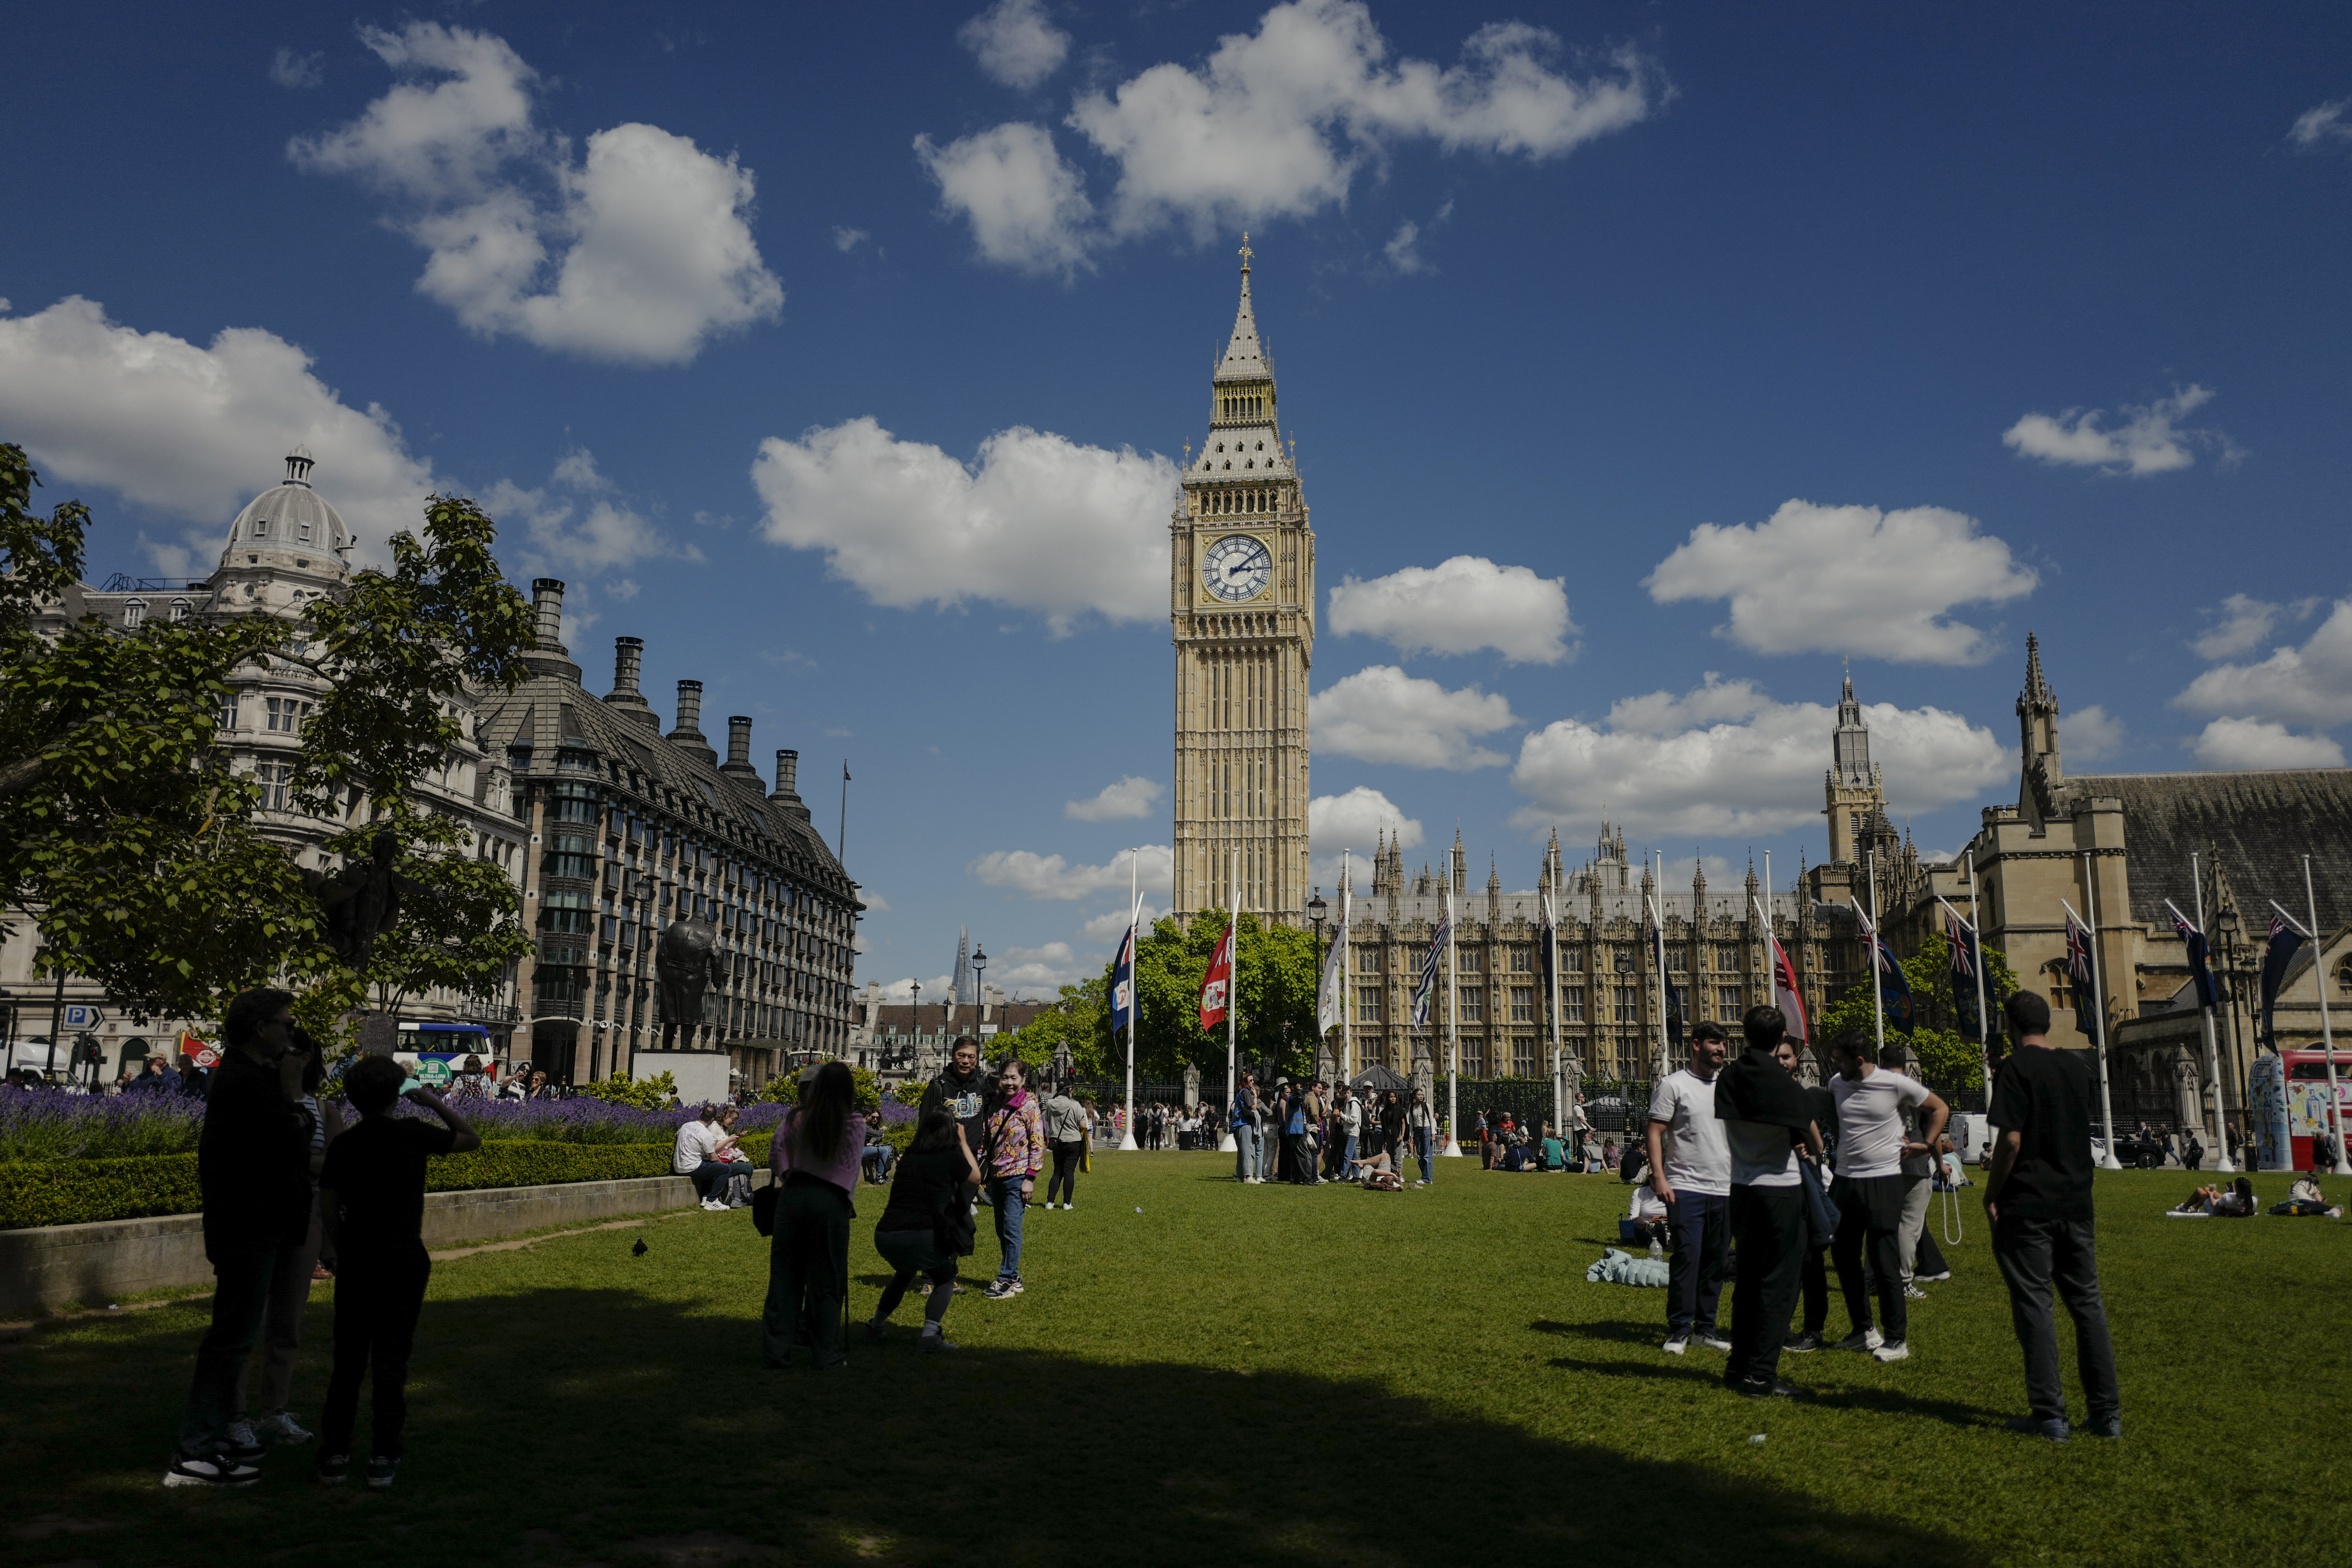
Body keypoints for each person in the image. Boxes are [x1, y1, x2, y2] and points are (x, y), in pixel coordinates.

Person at [164, 989, 314, 1489]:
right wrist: (294, 1094)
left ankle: (212, 1440)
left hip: (252, 1224)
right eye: (285, 1025)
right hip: (247, 1226)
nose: (290, 1034)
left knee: (234, 1338)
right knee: (229, 1340)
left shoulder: (245, 1075)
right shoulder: (246, 1081)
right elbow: (290, 1137)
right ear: (259, 1028)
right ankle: (195, 1451)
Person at [313, 1053, 481, 1489]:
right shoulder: (411, 1134)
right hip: (403, 1257)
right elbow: (469, 1137)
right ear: (396, 1094)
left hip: (358, 1258)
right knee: (392, 1360)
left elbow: (328, 1206)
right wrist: (431, 1101)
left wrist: (339, 1247)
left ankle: (334, 1453)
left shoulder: (345, 1145)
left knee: (348, 1360)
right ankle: (384, 1454)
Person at [1984, 991, 2120, 1442]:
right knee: (2088, 1306)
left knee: (2036, 1305)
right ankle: (2106, 1415)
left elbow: (2011, 1141)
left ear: (2011, 1025)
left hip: (2030, 1205)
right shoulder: (2076, 1068)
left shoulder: (2016, 1069)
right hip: (2077, 1203)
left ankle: (2049, 1415)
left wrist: (1992, 1193)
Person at [231, 1028, 343, 1450]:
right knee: (245, 1322)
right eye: (287, 1052)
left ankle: (274, 1412)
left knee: (287, 1324)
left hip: (305, 1222)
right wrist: (306, 1162)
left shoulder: (324, 1110)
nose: (292, 1059)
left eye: (301, 1053)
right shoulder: (257, 1103)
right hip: (258, 1220)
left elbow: (335, 1168)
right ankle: (235, 1415)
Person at [1714, 1005, 1824, 1401]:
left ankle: (1737, 1364)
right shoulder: (1782, 1083)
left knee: (1746, 1280)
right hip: (1780, 1189)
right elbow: (1813, 1142)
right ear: (1781, 1037)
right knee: (1779, 1284)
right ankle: (1762, 1375)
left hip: (1741, 1188)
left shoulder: (1729, 1076)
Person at [1826, 1029, 1948, 1365]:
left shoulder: (1894, 1084)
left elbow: (1940, 1108)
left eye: (1841, 1060)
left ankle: (1897, 1339)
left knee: (1883, 1259)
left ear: (1860, 1060)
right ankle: (1864, 1331)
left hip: (1883, 1180)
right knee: (1844, 1256)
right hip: (1845, 1180)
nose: (1837, 1066)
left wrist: (1926, 1145)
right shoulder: (1837, 1084)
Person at [762, 1062, 865, 1370]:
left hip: (794, 1196)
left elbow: (776, 1154)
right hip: (830, 1201)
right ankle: (827, 1353)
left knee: (785, 1277)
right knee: (828, 1280)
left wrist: (788, 1178)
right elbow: (851, 1167)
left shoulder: (796, 1118)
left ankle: (777, 1351)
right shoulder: (854, 1122)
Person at [1648, 1020, 1734, 1357]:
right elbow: (1655, 1131)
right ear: (1696, 1045)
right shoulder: (1674, 1085)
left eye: (1724, 1044)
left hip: (1725, 1187)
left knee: (1717, 1262)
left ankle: (1706, 1329)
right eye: (1715, 1043)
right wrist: (1660, 1177)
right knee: (1688, 1256)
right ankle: (1680, 1330)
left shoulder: (1728, 1087)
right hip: (1685, 1186)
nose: (1722, 1050)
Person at [865, 1109, 983, 1352]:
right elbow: (976, 1177)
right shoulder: (950, 1154)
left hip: (886, 1234)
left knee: (904, 1273)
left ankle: (876, 1326)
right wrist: (963, 1141)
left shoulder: (911, 1155)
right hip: (922, 1234)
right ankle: (930, 1335)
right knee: (946, 1278)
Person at [1776, 1036, 1838, 1356]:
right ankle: (1781, 1326)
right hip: (1775, 1190)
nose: (1783, 1062)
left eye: (1787, 1056)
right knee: (1782, 1266)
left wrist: (1808, 1146)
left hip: (1804, 1188)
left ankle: (1813, 1330)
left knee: (1812, 1264)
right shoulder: (1768, 1095)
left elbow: (1821, 1144)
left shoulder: (1806, 1096)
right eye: (1778, 1057)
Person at [978, 1059, 1045, 1299]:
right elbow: (986, 1137)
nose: (1008, 1082)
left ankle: (1005, 1280)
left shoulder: (1029, 1106)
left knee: (1011, 1228)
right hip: (996, 1175)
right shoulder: (995, 1104)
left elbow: (1038, 1142)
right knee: (1001, 1228)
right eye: (1005, 1077)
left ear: (1024, 1080)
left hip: (1018, 1177)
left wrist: (1031, 1178)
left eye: (1014, 1078)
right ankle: (1014, 1277)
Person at [919, 1036, 989, 1155]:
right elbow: (923, 1130)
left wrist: (1028, 1096)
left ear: (977, 1060)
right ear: (953, 1056)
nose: (966, 1061)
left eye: (971, 1057)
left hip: (973, 1158)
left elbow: (1004, 1105)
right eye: (961, 1055)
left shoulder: (982, 1086)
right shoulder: (937, 1088)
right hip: (943, 1159)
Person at [673, 1103, 742, 1212]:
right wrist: (722, 1164)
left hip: (678, 1166)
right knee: (724, 1169)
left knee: (711, 1167)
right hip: (691, 1167)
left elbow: (678, 1136)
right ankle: (712, 1201)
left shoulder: (686, 1126)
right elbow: (713, 1159)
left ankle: (706, 1197)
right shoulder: (706, 1135)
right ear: (713, 1119)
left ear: (701, 1114)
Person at [1041, 1079, 1087, 1209]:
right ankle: (1067, 1203)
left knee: (1057, 1172)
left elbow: (1046, 1119)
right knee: (1069, 1172)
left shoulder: (1050, 1104)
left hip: (1057, 1142)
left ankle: (1050, 1202)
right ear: (1070, 1090)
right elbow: (1083, 1125)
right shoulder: (1075, 1105)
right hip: (1073, 1142)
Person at [1231, 1072, 1265, 1184]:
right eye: (1251, 1081)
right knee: (1249, 1150)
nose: (1253, 1082)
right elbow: (1254, 1108)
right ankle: (1248, 1176)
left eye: (1253, 1080)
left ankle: (1240, 1176)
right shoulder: (1246, 1092)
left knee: (1242, 1151)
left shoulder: (1240, 1092)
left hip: (1239, 1124)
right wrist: (1255, 1095)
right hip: (1244, 1124)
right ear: (1245, 1082)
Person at [1406, 1085, 1437, 1186]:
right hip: (1417, 1131)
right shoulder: (1412, 1107)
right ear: (1415, 1096)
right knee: (1420, 1156)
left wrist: (1433, 1134)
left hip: (1427, 1130)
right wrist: (1411, 1135)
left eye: (1422, 1095)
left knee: (1427, 1155)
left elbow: (1432, 1120)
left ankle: (1427, 1178)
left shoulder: (1427, 1106)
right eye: (1419, 1095)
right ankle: (1426, 1176)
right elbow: (1411, 1122)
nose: (1421, 1097)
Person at [1336, 1082, 1363, 1181]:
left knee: (1347, 1155)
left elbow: (1354, 1120)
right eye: (1344, 1093)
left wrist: (1343, 1116)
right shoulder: (1348, 1103)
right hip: (1349, 1132)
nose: (1346, 1095)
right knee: (1354, 1156)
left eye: (1348, 1093)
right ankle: (1357, 1177)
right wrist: (1342, 1122)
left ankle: (1343, 1176)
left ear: (1352, 1093)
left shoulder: (1353, 1103)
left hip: (1352, 1133)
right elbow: (1350, 1120)